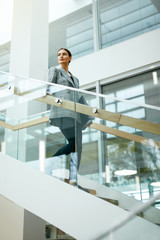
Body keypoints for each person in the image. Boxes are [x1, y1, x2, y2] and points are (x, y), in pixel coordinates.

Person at [46, 48, 91, 185]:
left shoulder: (75, 79)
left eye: (64, 54)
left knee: (77, 146)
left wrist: (87, 117)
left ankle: (73, 177)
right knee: (76, 144)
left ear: (70, 58)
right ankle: (53, 166)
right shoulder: (55, 70)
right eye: (59, 54)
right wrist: (47, 93)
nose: (61, 56)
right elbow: (49, 87)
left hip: (75, 113)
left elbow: (79, 97)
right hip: (62, 111)